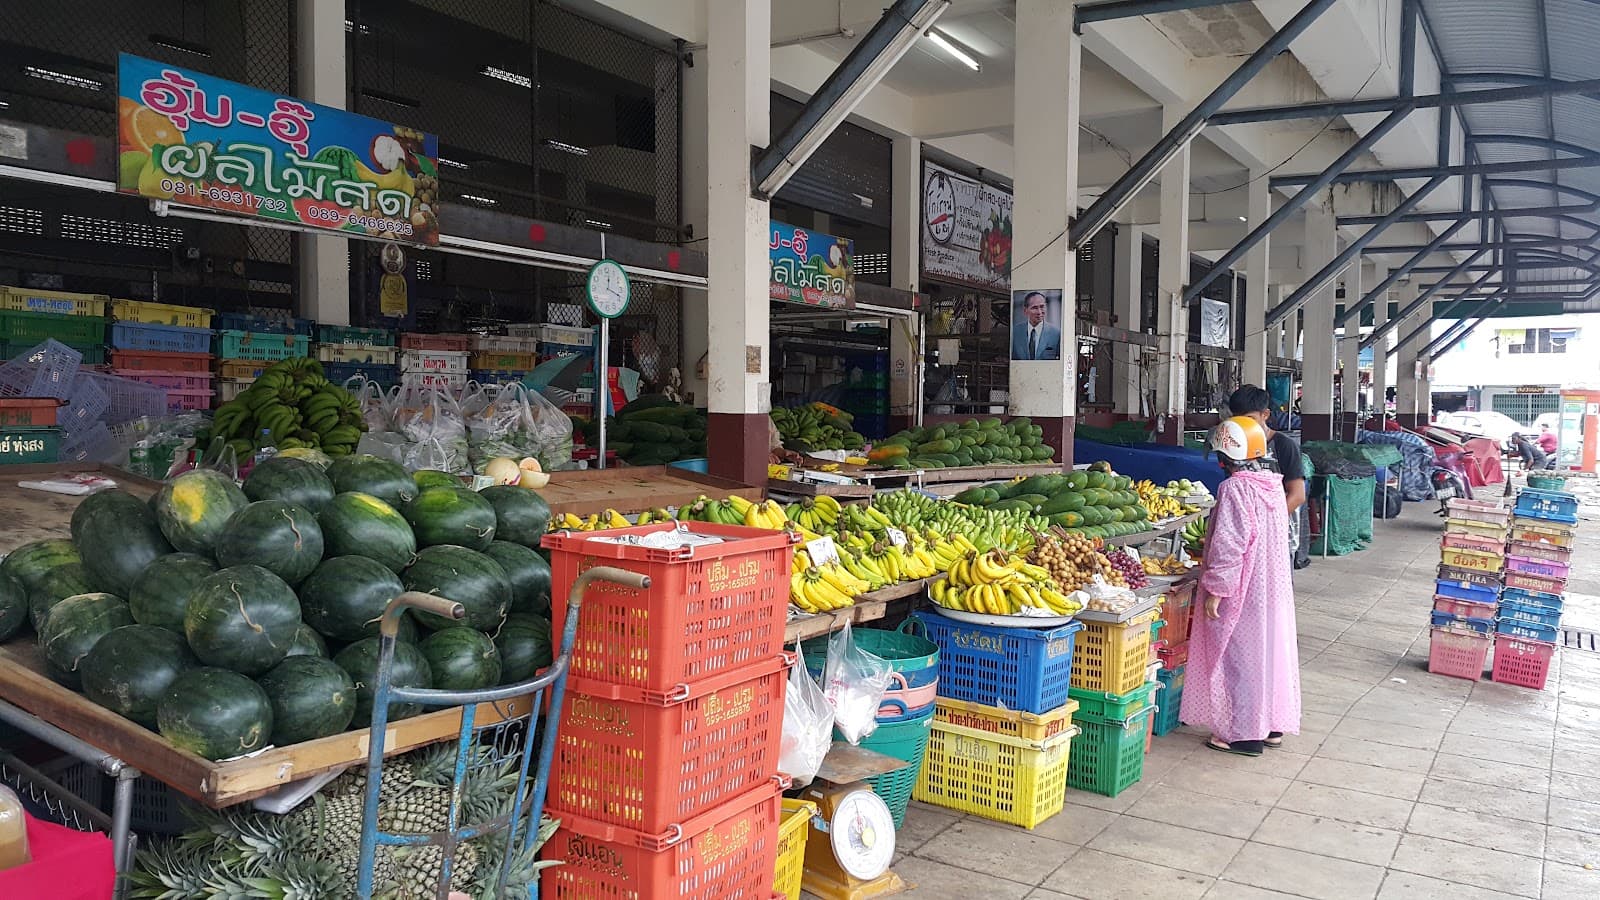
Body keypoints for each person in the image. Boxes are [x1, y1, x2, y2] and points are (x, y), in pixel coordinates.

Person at [1182, 416, 1301, 756]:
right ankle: (1272, 727)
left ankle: (1243, 735)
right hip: (1272, 587)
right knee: (1269, 655)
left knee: (1239, 660)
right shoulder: (1272, 487)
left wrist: (1217, 589)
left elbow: (1229, 544)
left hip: (1244, 590)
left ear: (1224, 458)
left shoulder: (1234, 489)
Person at [1227, 385, 1307, 564]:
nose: (1243, 425)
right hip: (1242, 537)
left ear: (1266, 415)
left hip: (1277, 536)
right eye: (1238, 419)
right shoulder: (1233, 446)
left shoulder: (1284, 446)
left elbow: (1297, 495)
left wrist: (1266, 524)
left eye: (1250, 419)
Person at [1011, 291, 1061, 360]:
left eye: (1042, 307)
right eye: (1034, 308)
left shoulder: (1056, 334)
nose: (1039, 312)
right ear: (1025, 310)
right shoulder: (1014, 332)